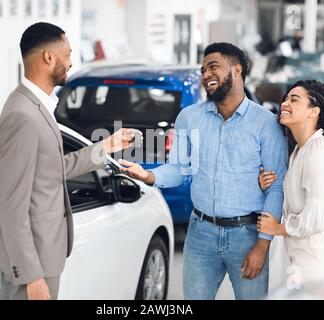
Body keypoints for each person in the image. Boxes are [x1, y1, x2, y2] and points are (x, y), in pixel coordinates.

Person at [119, 42, 288, 300]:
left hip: (247, 235)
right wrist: (149, 176)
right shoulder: (189, 117)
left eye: (213, 67)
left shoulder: (265, 124)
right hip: (200, 234)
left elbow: (276, 187)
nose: (206, 74)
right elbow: (180, 168)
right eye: (203, 69)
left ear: (237, 70)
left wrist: (263, 244)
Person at [0, 22, 139, 300]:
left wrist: (107, 146)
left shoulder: (35, 107)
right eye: (68, 54)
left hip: (45, 256)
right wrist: (31, 276)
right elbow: (11, 205)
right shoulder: (22, 115)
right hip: (35, 263)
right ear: (48, 57)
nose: (71, 62)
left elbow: (52, 170)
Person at [257, 80, 324, 285]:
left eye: (294, 99)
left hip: (316, 256)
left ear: (313, 111)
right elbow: (297, 198)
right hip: (303, 252)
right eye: (286, 98)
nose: (285, 103)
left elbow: (315, 216)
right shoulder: (301, 149)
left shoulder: (317, 154)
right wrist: (268, 185)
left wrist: (276, 228)